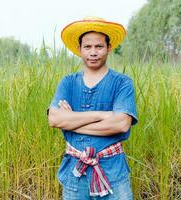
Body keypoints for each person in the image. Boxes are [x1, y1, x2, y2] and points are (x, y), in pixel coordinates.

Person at [47, 17, 138, 200]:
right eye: (87, 47)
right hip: (75, 173)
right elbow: (55, 119)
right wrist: (100, 115)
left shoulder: (122, 83)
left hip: (113, 171)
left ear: (109, 48)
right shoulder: (68, 83)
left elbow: (120, 124)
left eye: (99, 47)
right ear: (79, 49)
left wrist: (72, 121)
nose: (93, 52)